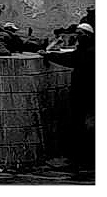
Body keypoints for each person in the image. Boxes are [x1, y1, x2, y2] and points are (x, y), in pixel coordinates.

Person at [40, 23, 95, 170]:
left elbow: (73, 59)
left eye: (80, 34)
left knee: (83, 127)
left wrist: (50, 55)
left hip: (87, 94)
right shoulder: (86, 49)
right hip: (82, 92)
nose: (77, 36)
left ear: (88, 36)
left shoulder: (90, 51)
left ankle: (82, 160)